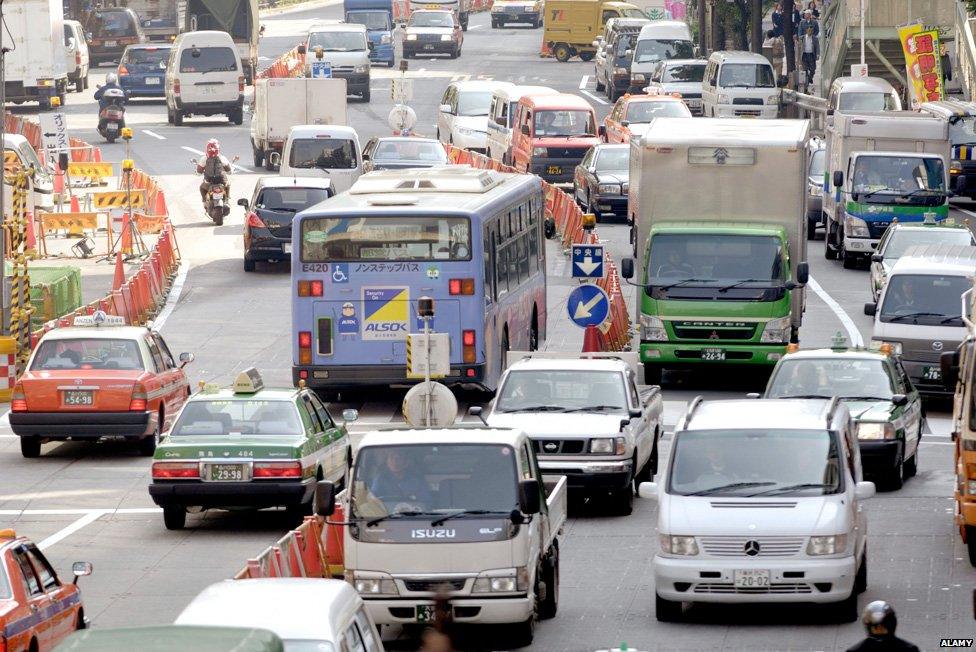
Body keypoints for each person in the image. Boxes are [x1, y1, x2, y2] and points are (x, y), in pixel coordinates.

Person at [369, 448, 433, 509]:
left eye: (399, 458)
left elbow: (426, 503)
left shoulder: (418, 480)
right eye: (391, 457)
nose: (395, 461)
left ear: (406, 462)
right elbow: (373, 501)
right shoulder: (380, 480)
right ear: (387, 462)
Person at [846, 601, 920, 652]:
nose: (880, 632)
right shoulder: (909, 649)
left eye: (882, 628)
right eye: (876, 628)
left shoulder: (856, 650)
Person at [196, 138, 232, 204]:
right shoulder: (222, 158)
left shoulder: (204, 158)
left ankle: (204, 202)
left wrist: (198, 173)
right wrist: (229, 171)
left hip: (209, 182)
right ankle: (227, 199)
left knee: (201, 188)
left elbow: (199, 172)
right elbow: (229, 171)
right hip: (222, 181)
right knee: (228, 185)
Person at [800, 25, 819, 89]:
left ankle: (810, 78)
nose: (810, 32)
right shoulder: (802, 38)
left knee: (813, 69)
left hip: (811, 55)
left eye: (811, 31)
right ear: (806, 31)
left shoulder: (815, 38)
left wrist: (818, 54)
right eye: (809, 30)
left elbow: (817, 47)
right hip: (804, 55)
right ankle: (807, 82)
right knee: (805, 70)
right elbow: (798, 46)